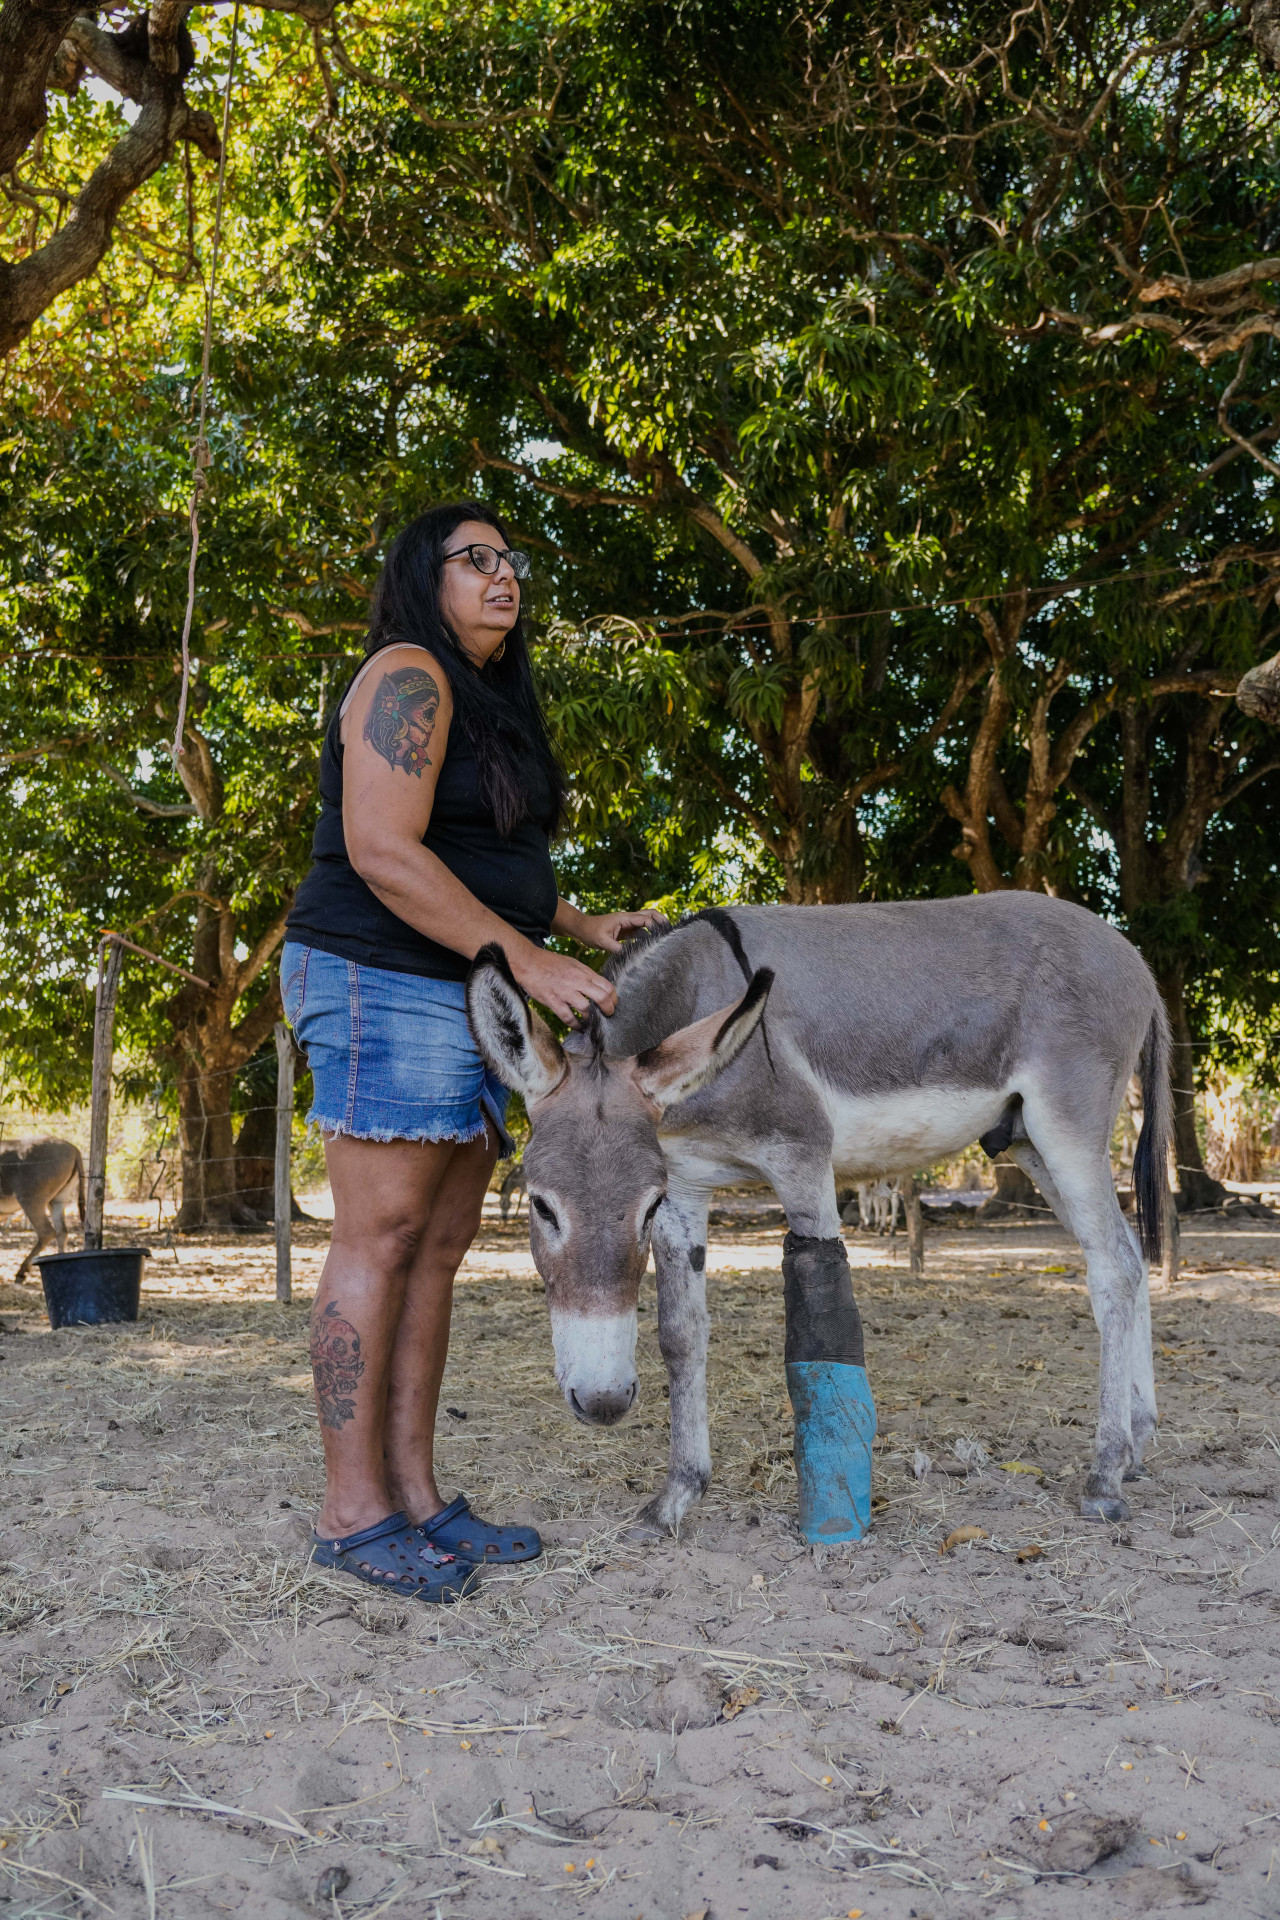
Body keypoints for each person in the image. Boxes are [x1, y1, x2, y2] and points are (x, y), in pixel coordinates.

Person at [281, 503, 664, 1600]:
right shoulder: (407, 672)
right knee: (382, 1235)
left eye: (511, 561)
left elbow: (476, 859)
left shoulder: (491, 698)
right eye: (475, 560)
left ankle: (415, 1497)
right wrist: (530, 966)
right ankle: (352, 1515)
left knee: (440, 1243)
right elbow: (380, 850)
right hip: (375, 977)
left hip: (461, 987)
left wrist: (574, 928)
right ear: (423, 576)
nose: (503, 577)